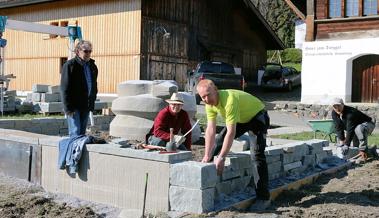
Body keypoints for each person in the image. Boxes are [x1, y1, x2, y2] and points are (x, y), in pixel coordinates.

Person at [196, 79, 270, 210]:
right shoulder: (209, 105)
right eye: (203, 97)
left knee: (257, 156)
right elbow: (210, 130)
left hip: (258, 116)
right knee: (218, 142)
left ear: (215, 90)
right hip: (242, 117)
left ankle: (263, 198)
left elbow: (231, 132)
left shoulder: (229, 100)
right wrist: (207, 155)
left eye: (208, 94)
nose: (206, 99)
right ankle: (206, 183)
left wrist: (222, 157)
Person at [60, 40, 98, 137]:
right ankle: (73, 152)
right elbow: (65, 88)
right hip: (74, 107)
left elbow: (94, 86)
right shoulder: (70, 65)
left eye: (90, 51)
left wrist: (91, 104)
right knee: (75, 133)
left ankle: (80, 152)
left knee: (82, 134)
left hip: (86, 105)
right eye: (85, 51)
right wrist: (68, 108)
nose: (88, 54)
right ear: (78, 51)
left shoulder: (92, 66)